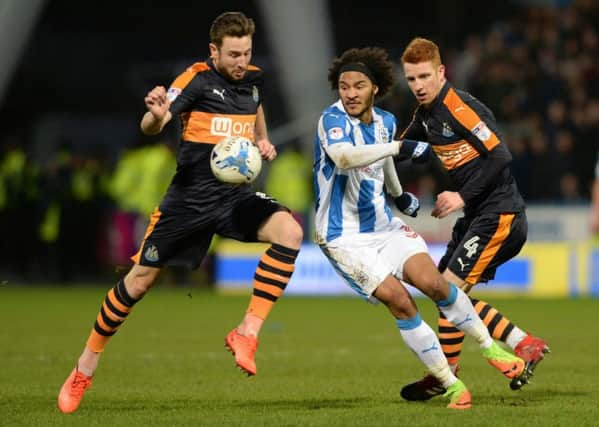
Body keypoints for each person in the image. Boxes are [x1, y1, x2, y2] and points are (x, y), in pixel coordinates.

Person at [57, 11, 303, 414]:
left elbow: (256, 107)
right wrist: (155, 116)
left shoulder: (254, 78)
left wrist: (262, 140)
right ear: (214, 51)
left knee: (290, 233)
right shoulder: (195, 79)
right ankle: (85, 366)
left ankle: (247, 331)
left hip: (235, 197)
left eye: (247, 52)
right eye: (234, 54)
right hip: (188, 203)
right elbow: (156, 122)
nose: (242, 62)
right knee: (138, 283)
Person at [314, 46, 526, 410]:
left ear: (375, 89)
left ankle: (494, 351)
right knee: (401, 301)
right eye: (344, 86)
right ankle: (451, 383)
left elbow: (382, 159)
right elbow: (344, 157)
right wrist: (399, 147)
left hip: (383, 226)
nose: (350, 93)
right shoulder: (331, 120)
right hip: (342, 236)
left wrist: (397, 195)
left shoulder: (384, 121)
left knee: (437, 284)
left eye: (359, 86)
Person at [398, 37, 549, 401]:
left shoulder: (459, 106)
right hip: (478, 215)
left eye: (424, 76)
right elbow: (398, 149)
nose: (418, 85)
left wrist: (461, 195)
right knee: (441, 290)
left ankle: (521, 342)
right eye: (411, 79)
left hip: (500, 213)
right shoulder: (424, 115)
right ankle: (446, 373)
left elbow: (501, 155)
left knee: (447, 288)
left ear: (441, 72)